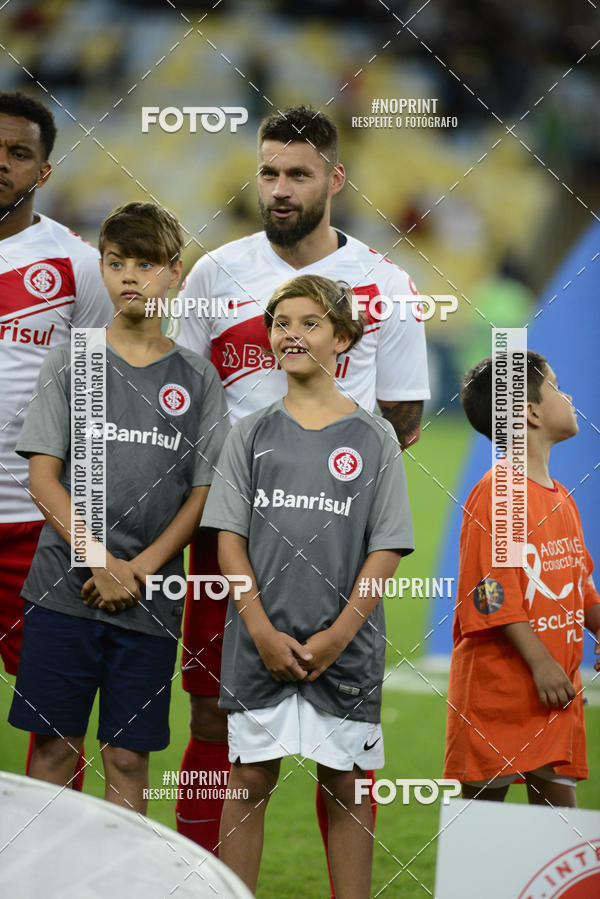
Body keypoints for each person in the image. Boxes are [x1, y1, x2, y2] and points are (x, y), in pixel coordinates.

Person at [171, 105, 429, 871]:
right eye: (270, 172)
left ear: (334, 179)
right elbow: (186, 399)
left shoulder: (385, 284)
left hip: (338, 544)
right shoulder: (216, 273)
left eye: (298, 173)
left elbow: (403, 417)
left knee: (344, 737)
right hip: (230, 536)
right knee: (215, 719)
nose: (280, 188)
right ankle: (199, 883)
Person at [8, 202, 230, 813]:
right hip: (63, 587)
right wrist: (99, 559)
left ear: (175, 273)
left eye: (146, 263)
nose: (130, 276)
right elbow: (42, 476)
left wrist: (140, 569)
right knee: (53, 750)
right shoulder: (73, 358)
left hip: (151, 598)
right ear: (101, 269)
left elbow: (203, 492)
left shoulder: (198, 377)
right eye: (116, 263)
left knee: (129, 759)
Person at [201, 274, 414, 897]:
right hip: (260, 645)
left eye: (310, 323)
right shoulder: (251, 433)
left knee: (346, 785)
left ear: (343, 338)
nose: (291, 334)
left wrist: (340, 635)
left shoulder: (374, 436)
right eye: (281, 323)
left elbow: (386, 547)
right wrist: (260, 629)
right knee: (247, 782)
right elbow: (228, 540)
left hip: (344, 649)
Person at [0, 89, 112, 789]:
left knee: (56, 723)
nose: (2, 165)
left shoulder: (77, 267)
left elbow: (101, 409)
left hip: (32, 528)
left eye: (18, 154)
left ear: (43, 172)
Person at [444, 351, 600, 806]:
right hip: (503, 691)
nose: (567, 396)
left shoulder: (561, 498)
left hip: (554, 696)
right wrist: (542, 663)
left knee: (556, 823)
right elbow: (492, 596)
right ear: (530, 411)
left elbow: (580, 585)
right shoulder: (500, 494)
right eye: (556, 386)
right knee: (481, 821)